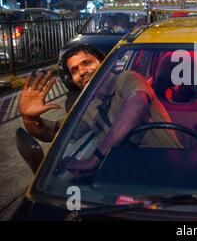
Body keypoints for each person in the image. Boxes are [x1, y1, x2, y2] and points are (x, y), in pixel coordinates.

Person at [18, 44, 182, 174]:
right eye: (74, 70)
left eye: (87, 63)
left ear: (104, 63)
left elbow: (137, 104)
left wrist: (97, 157)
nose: (82, 72)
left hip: (168, 170)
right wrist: (30, 118)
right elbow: (54, 132)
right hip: (131, 176)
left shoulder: (127, 78)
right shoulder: (87, 104)